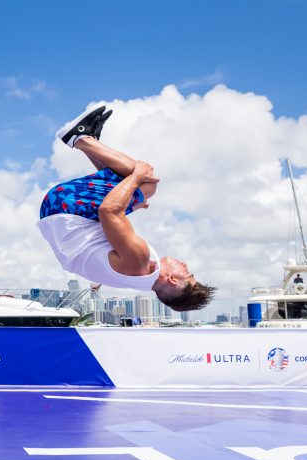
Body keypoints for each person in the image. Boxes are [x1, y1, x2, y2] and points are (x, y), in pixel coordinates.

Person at [38, 105, 215, 311]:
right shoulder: (135, 277)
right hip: (60, 215)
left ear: (173, 280)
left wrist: (137, 177)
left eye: (189, 274)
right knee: (133, 189)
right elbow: (105, 227)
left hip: (65, 207)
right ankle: (90, 140)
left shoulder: (139, 262)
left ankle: (80, 138)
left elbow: (108, 211)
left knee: (148, 183)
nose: (186, 266)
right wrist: (132, 201)